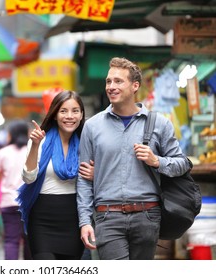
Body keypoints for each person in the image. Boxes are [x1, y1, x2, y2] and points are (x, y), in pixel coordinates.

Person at [76, 57, 191, 260]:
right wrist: (85, 221)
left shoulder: (159, 124)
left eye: (118, 81)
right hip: (107, 215)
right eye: (108, 81)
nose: (111, 86)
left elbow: (182, 164)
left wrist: (157, 161)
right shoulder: (92, 126)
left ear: (135, 85)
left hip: (147, 215)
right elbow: (84, 180)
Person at [17, 90, 91, 260]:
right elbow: (29, 178)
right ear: (55, 114)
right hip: (42, 219)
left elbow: (99, 177)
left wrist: (95, 174)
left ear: (81, 115)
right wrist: (35, 146)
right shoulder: (40, 140)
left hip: (74, 217)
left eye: (75, 111)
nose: (69, 116)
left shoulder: (87, 142)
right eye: (63, 111)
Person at [0, 119, 32, 260]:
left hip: (9, 201)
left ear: (11, 134)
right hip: (30, 203)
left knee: (11, 240)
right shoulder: (33, 150)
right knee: (29, 241)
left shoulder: (3, 153)